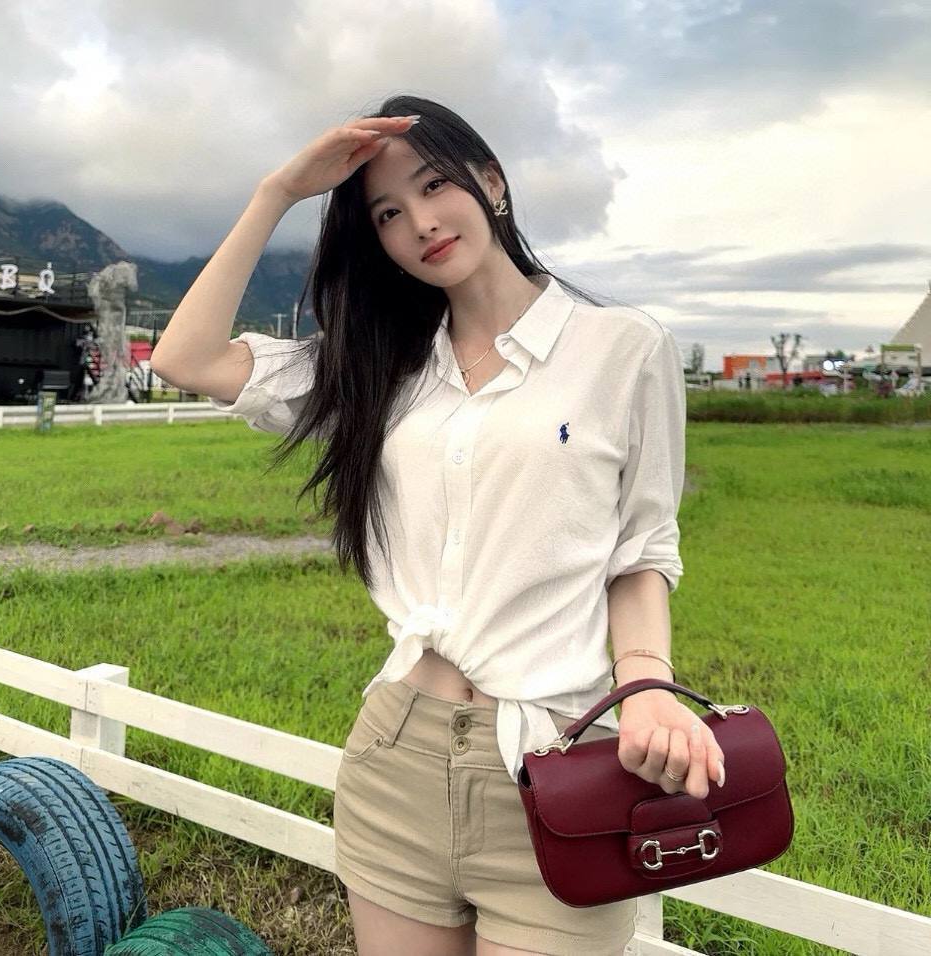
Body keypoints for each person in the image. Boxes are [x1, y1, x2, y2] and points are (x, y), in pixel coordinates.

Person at [152, 94, 726, 956]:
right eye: (387, 213)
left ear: (490, 181)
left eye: (433, 187)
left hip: (552, 764)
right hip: (397, 758)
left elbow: (641, 551)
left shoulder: (623, 348)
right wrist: (279, 191)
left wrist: (645, 684)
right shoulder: (377, 364)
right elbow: (184, 358)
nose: (419, 223)